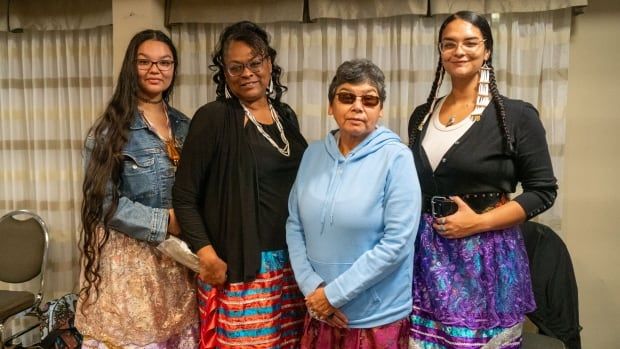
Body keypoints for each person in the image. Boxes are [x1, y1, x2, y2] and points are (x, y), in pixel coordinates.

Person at [407, 11, 558, 348]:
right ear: (441, 52)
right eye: (449, 44)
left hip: (485, 258)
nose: (459, 51)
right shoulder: (422, 115)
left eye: (470, 42)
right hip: (427, 258)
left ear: (487, 50)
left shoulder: (516, 116)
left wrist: (478, 223)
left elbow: (543, 191)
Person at [172, 21, 307, 349]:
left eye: (255, 63)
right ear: (225, 72)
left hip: (291, 266)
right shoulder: (214, 118)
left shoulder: (285, 115)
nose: (247, 73)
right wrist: (206, 254)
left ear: (269, 64)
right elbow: (185, 196)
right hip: (241, 269)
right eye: (236, 67)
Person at [286, 59, 421, 349]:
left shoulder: (397, 158)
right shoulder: (312, 154)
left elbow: (397, 242)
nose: (358, 106)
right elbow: (294, 224)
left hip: (375, 318)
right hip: (319, 309)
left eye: (369, 99)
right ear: (330, 105)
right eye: (347, 97)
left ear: (380, 109)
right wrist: (314, 289)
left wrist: (334, 295)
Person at [76, 30, 198, 348]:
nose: (155, 69)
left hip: (177, 262)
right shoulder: (109, 130)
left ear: (174, 68)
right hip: (129, 269)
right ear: (131, 67)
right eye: (144, 62)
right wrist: (165, 221)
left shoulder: (186, 125)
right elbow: (100, 205)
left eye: (164, 62)